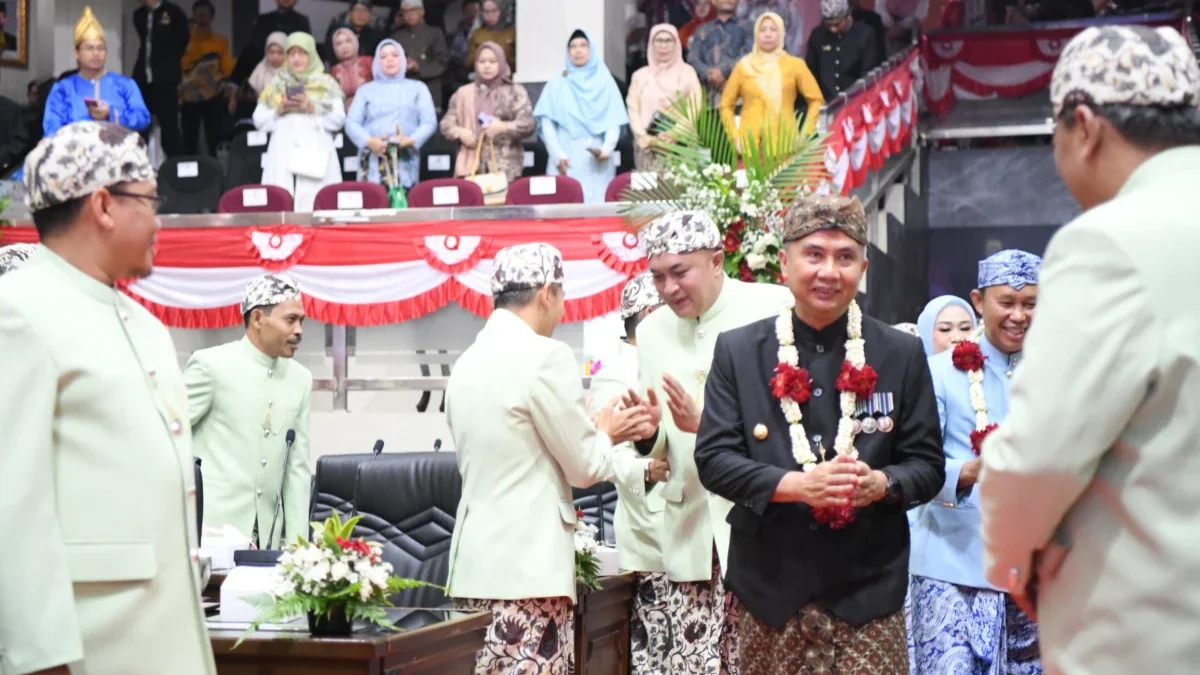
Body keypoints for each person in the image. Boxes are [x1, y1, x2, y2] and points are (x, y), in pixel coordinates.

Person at [979, 26, 1200, 675]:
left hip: (1150, 628)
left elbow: (1039, 454)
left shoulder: (1107, 241)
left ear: (1084, 125)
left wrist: (1012, 559)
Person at [693, 194, 944, 674]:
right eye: (814, 255)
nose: (829, 271)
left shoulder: (900, 354)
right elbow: (714, 459)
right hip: (771, 588)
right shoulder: (739, 351)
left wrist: (884, 485)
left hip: (868, 590)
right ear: (785, 263)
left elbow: (927, 465)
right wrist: (795, 487)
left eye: (844, 257)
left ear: (863, 267)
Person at [0, 121, 214, 675]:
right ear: (102, 205)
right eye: (149, 201)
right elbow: (12, 507)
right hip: (89, 648)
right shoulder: (17, 310)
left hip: (166, 641)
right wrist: (40, 659)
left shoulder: (142, 324)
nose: (158, 220)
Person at [444, 242, 652, 675]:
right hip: (528, 573)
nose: (562, 310)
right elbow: (585, 466)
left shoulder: (465, 362)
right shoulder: (545, 356)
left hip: (471, 570)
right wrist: (608, 432)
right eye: (561, 297)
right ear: (545, 293)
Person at [627, 209, 793, 674]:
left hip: (763, 527)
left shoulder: (773, 307)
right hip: (692, 530)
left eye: (680, 272)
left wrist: (712, 425)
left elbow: (797, 422)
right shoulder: (653, 330)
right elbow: (661, 445)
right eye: (658, 277)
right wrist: (647, 435)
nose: (668, 289)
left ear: (718, 260)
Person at [909, 249, 1042, 675]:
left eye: (1030, 304)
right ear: (979, 301)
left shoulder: (1058, 372)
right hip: (952, 566)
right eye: (1007, 302)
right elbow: (915, 463)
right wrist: (966, 472)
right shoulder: (939, 371)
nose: (1018, 315)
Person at [185, 273, 312, 550]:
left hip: (267, 539)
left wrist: (299, 548)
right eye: (290, 320)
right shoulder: (211, 366)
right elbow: (168, 437)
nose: (299, 330)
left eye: (301, 321)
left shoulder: (301, 379)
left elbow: (297, 470)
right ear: (257, 319)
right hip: (209, 532)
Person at [587, 272, 673, 675]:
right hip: (652, 535)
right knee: (657, 653)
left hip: (700, 530)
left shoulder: (676, 357)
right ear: (650, 314)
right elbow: (613, 455)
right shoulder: (614, 376)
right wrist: (648, 469)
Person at [254, 32, 347, 211]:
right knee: (281, 208)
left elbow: (338, 120)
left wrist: (311, 106)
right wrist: (279, 109)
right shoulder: (276, 84)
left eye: (302, 53)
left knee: (316, 208)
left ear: (311, 54)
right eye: (291, 53)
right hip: (282, 154)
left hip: (316, 154)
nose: (296, 58)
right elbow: (259, 121)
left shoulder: (326, 84)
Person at [534, 30, 629, 204]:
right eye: (573, 46)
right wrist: (557, 154)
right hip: (565, 157)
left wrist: (607, 149)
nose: (578, 50)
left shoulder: (605, 81)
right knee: (564, 213)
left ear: (591, 50)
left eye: (583, 46)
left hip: (596, 159)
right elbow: (547, 123)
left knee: (596, 210)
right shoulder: (557, 82)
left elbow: (613, 121)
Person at [43, 7, 150, 138]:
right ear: (76, 53)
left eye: (101, 48)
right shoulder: (63, 88)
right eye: (89, 48)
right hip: (75, 153)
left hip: (118, 153)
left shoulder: (125, 85)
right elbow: (52, 129)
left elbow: (143, 119)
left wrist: (111, 114)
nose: (96, 53)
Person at [346, 39, 437, 190]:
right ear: (376, 62)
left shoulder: (417, 88)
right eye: (383, 57)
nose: (389, 60)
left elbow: (429, 122)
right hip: (373, 158)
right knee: (373, 204)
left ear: (403, 59)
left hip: (404, 157)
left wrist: (411, 140)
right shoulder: (365, 90)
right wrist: (369, 142)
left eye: (395, 55)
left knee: (403, 204)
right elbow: (351, 123)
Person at [721, 12, 824, 144]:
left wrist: (806, 134)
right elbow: (725, 105)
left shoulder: (795, 65)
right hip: (749, 147)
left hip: (785, 145)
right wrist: (734, 137)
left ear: (781, 33)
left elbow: (816, 100)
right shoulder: (743, 66)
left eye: (773, 29)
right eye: (762, 30)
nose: (767, 34)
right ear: (756, 34)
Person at [440, 41, 535, 184]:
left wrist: (504, 127)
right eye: (482, 61)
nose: (487, 66)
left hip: (506, 169)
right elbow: (446, 125)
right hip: (471, 168)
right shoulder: (464, 93)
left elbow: (528, 124)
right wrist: (460, 132)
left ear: (501, 63)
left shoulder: (514, 91)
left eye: (492, 61)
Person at [627, 24, 702, 170]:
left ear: (676, 43)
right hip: (648, 147)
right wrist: (645, 138)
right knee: (648, 191)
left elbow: (695, 107)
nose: (663, 45)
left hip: (680, 146)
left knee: (679, 191)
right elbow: (633, 109)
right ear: (651, 43)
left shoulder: (688, 73)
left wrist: (674, 134)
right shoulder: (640, 76)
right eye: (658, 40)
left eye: (668, 40)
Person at [133, 0, 190, 157]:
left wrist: (168, 62)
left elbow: (183, 40)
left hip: (166, 80)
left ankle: (176, 168)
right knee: (141, 126)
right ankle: (137, 165)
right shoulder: (139, 14)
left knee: (169, 126)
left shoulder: (174, 12)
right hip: (143, 78)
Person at [179, 0, 234, 156]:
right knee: (189, 138)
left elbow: (226, 67)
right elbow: (180, 64)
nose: (202, 16)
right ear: (193, 15)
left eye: (206, 13)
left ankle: (213, 172)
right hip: (189, 94)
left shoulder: (220, 40)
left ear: (212, 17)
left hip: (213, 94)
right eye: (199, 13)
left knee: (214, 137)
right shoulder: (185, 39)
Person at [229, 0, 313, 97]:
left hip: (291, 70)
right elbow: (252, 50)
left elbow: (306, 49)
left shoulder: (302, 21)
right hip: (265, 69)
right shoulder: (263, 20)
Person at [806, 0, 882, 101]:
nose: (833, 29)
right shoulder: (818, 35)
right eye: (828, 25)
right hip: (825, 101)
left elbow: (868, 74)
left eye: (837, 24)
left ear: (847, 16)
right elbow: (811, 72)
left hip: (855, 99)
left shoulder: (864, 34)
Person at [687, 0, 751, 106]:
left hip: (741, 96)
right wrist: (708, 73)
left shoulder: (748, 27)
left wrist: (722, 71)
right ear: (714, 1)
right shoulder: (703, 30)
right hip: (709, 98)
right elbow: (693, 58)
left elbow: (750, 54)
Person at [392, 0, 451, 110]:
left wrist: (418, 66)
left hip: (429, 89)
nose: (409, 15)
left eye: (413, 11)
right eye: (405, 12)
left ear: (422, 11)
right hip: (404, 90)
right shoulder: (396, 37)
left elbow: (442, 61)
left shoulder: (435, 33)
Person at [323, 0, 387, 61]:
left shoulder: (376, 35)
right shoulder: (340, 33)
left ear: (370, 15)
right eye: (357, 10)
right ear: (350, 14)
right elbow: (329, 52)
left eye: (365, 10)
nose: (360, 14)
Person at [736, 0, 806, 55]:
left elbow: (793, 48)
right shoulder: (748, 7)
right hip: (750, 64)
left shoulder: (789, 11)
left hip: (780, 65)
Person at [329, 27, 373, 110]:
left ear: (355, 42)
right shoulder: (334, 71)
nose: (344, 46)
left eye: (348, 41)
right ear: (335, 48)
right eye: (339, 43)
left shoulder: (368, 62)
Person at [467, 0, 516, 73]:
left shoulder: (512, 33)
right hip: (483, 78)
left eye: (494, 11)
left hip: (508, 79)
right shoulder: (477, 34)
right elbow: (469, 63)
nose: (490, 15)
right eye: (486, 11)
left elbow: (522, 62)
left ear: (502, 10)